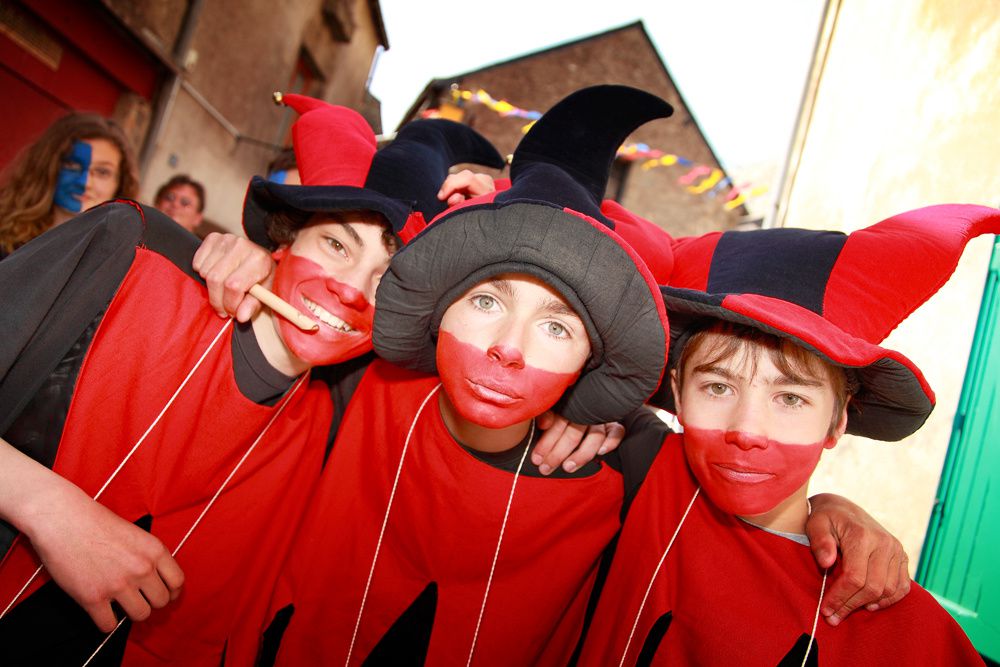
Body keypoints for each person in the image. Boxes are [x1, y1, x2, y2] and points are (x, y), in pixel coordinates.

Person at [255, 85, 908, 666]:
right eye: (487, 301)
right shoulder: (360, 382)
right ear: (442, 301)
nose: (509, 349)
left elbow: (744, 484)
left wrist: (836, 509)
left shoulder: (620, 458)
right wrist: (252, 267)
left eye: (558, 325)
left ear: (589, 356)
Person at [0, 94, 501, 666]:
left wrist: (583, 421)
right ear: (283, 243)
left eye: (389, 278)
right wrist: (50, 510)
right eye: (336, 244)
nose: (352, 289)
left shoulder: (342, 410)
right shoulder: (131, 256)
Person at [577, 204, 998, 665]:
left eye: (791, 399)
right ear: (677, 392)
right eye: (718, 387)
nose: (747, 431)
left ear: (839, 421)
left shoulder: (906, 631)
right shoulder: (636, 469)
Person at [0, 112, 139, 257]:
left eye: (102, 172)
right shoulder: (4, 238)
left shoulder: (119, 261)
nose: (85, 183)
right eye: (73, 165)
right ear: (47, 166)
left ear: (120, 183)